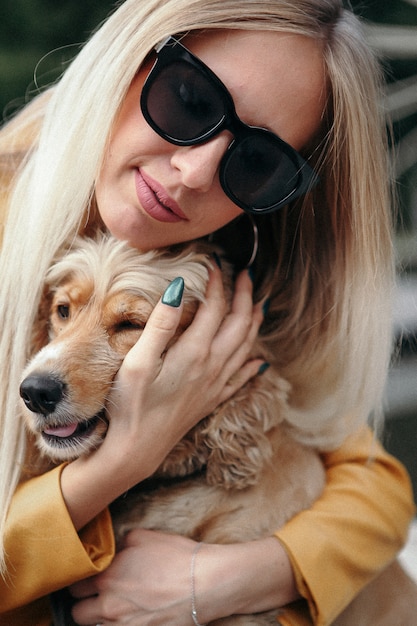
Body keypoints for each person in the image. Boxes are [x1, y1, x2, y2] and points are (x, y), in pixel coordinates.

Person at [0, 0, 415, 625]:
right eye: (190, 100)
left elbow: (376, 484)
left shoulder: (222, 274)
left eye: (255, 161)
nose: (192, 173)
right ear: (130, 59)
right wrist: (125, 460)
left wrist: (240, 578)